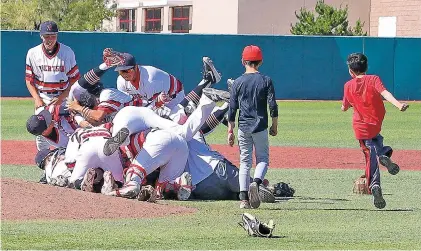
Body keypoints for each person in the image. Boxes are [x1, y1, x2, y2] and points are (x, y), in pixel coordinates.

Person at [341, 52, 409, 209]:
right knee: (377, 141)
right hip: (375, 125)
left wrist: (345, 106)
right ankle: (384, 154)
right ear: (366, 67)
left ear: (351, 71)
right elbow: (385, 94)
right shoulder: (374, 79)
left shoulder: (347, 86)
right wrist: (398, 105)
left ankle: (375, 185)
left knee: (369, 156)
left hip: (360, 128)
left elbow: (344, 107)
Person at [227, 45, 278, 209]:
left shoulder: (237, 82)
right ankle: (256, 182)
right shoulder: (266, 80)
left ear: (243, 61)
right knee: (262, 159)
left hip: (243, 127)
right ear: (260, 62)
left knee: (244, 163)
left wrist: (230, 130)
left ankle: (243, 200)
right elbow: (273, 106)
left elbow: (232, 109)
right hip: (261, 126)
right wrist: (274, 125)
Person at [25, 20, 80, 151]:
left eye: (53, 36)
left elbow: (74, 79)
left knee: (67, 126)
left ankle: (69, 154)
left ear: (57, 35)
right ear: (41, 36)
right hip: (43, 96)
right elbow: (29, 80)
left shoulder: (67, 52)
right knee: (40, 130)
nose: (50, 39)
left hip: (64, 95)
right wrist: (37, 98)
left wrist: (62, 97)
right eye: (46, 36)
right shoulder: (33, 53)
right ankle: (44, 160)